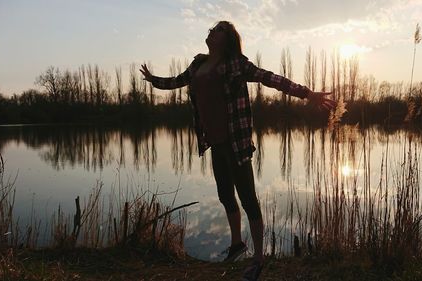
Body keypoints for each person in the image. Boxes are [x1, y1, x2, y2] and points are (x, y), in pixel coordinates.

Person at [140, 20, 336, 281]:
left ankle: (258, 258)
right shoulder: (198, 64)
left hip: (236, 141)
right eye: (212, 28)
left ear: (228, 39)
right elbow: (177, 81)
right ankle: (236, 244)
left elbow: (271, 78)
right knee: (224, 194)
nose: (212, 31)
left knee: (247, 197)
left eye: (219, 29)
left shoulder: (237, 64)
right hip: (214, 142)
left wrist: (307, 94)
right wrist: (154, 81)